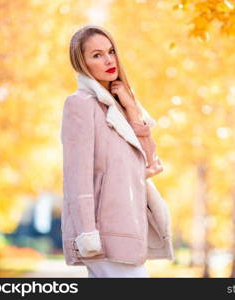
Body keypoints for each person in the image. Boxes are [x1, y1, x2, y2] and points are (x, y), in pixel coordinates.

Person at [60, 25, 174, 278]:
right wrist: (88, 235)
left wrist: (131, 108)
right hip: (102, 233)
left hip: (129, 225)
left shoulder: (119, 108)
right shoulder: (80, 105)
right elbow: (77, 176)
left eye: (110, 51)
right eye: (97, 55)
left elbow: (150, 163)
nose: (109, 60)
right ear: (83, 63)